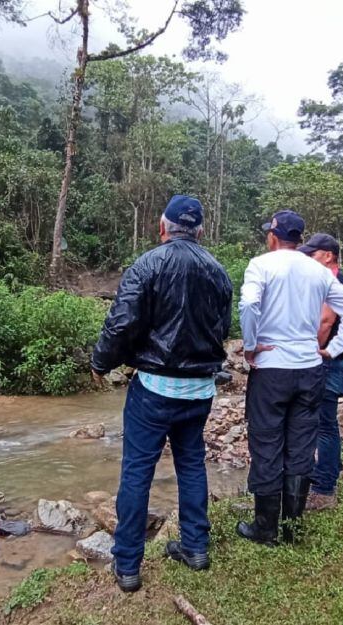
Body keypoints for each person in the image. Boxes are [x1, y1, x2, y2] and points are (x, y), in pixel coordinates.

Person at [90, 195, 232, 593]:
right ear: (200, 231)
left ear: (162, 226)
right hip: (199, 390)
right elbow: (222, 329)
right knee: (191, 465)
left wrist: (101, 363)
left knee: (137, 471)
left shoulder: (148, 264)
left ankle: (129, 566)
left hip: (153, 389)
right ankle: (195, 547)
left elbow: (121, 324)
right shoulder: (219, 271)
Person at [237, 211, 343, 546]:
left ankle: (265, 527)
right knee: (301, 445)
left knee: (267, 444)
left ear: (273, 237)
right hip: (309, 369)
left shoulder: (261, 265)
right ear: (300, 239)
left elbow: (249, 304)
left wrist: (250, 346)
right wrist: (334, 348)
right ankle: (293, 527)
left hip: (271, 369)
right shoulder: (318, 271)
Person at [297, 233, 343, 511]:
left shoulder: (334, 282)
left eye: (313, 253)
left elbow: (325, 321)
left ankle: (324, 490)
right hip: (333, 362)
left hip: (328, 362)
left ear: (328, 255)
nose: (309, 258)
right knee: (323, 424)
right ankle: (323, 477)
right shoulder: (330, 279)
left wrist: (310, 351)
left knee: (324, 425)